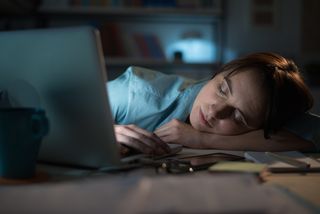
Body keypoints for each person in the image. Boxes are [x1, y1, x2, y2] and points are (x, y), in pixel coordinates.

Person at [107, 52, 320, 155]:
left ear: (259, 127)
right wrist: (106, 131)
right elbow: (74, 111)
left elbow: (314, 136)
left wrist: (201, 140)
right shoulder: (134, 92)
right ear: (217, 73)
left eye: (239, 116)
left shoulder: (270, 110)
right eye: (222, 89)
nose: (216, 111)